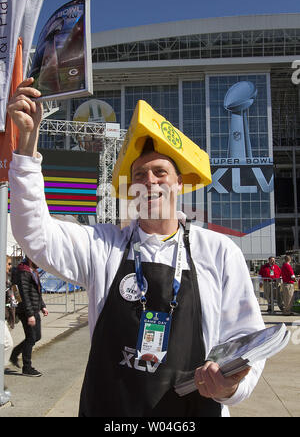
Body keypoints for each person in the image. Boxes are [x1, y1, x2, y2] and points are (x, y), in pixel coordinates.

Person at [7, 78, 265, 417]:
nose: (150, 182)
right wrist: (26, 148)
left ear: (180, 182)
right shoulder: (103, 245)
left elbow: (246, 337)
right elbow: (34, 234)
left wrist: (232, 386)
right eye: (140, 175)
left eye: (160, 172)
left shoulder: (217, 251)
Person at [9, 256, 48, 377]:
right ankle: (27, 367)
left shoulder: (33, 271)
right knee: (31, 337)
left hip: (34, 309)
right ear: (31, 259)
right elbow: (23, 295)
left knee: (37, 336)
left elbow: (36, 291)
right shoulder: (23, 272)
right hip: (26, 311)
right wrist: (30, 314)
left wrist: (42, 306)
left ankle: (15, 353)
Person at [4, 257, 14, 368]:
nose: (10, 266)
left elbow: (15, 295)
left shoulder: (9, 278)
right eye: (9, 264)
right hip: (2, 317)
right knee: (8, 344)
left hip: (7, 316)